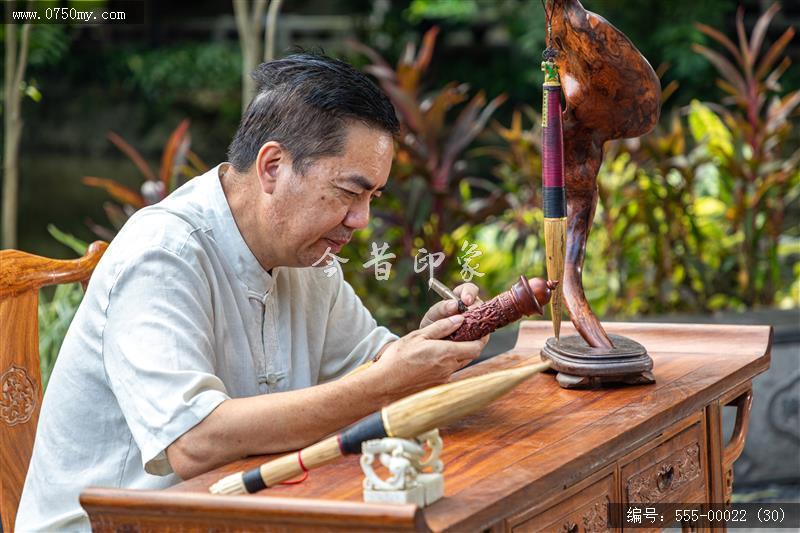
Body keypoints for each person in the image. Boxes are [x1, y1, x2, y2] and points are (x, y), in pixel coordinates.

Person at [16, 53, 487, 531]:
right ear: (273, 166)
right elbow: (194, 440)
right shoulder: (163, 254)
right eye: (349, 192)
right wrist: (388, 379)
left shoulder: (309, 256)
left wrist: (428, 347)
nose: (360, 220)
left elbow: (370, 369)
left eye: (372, 198)